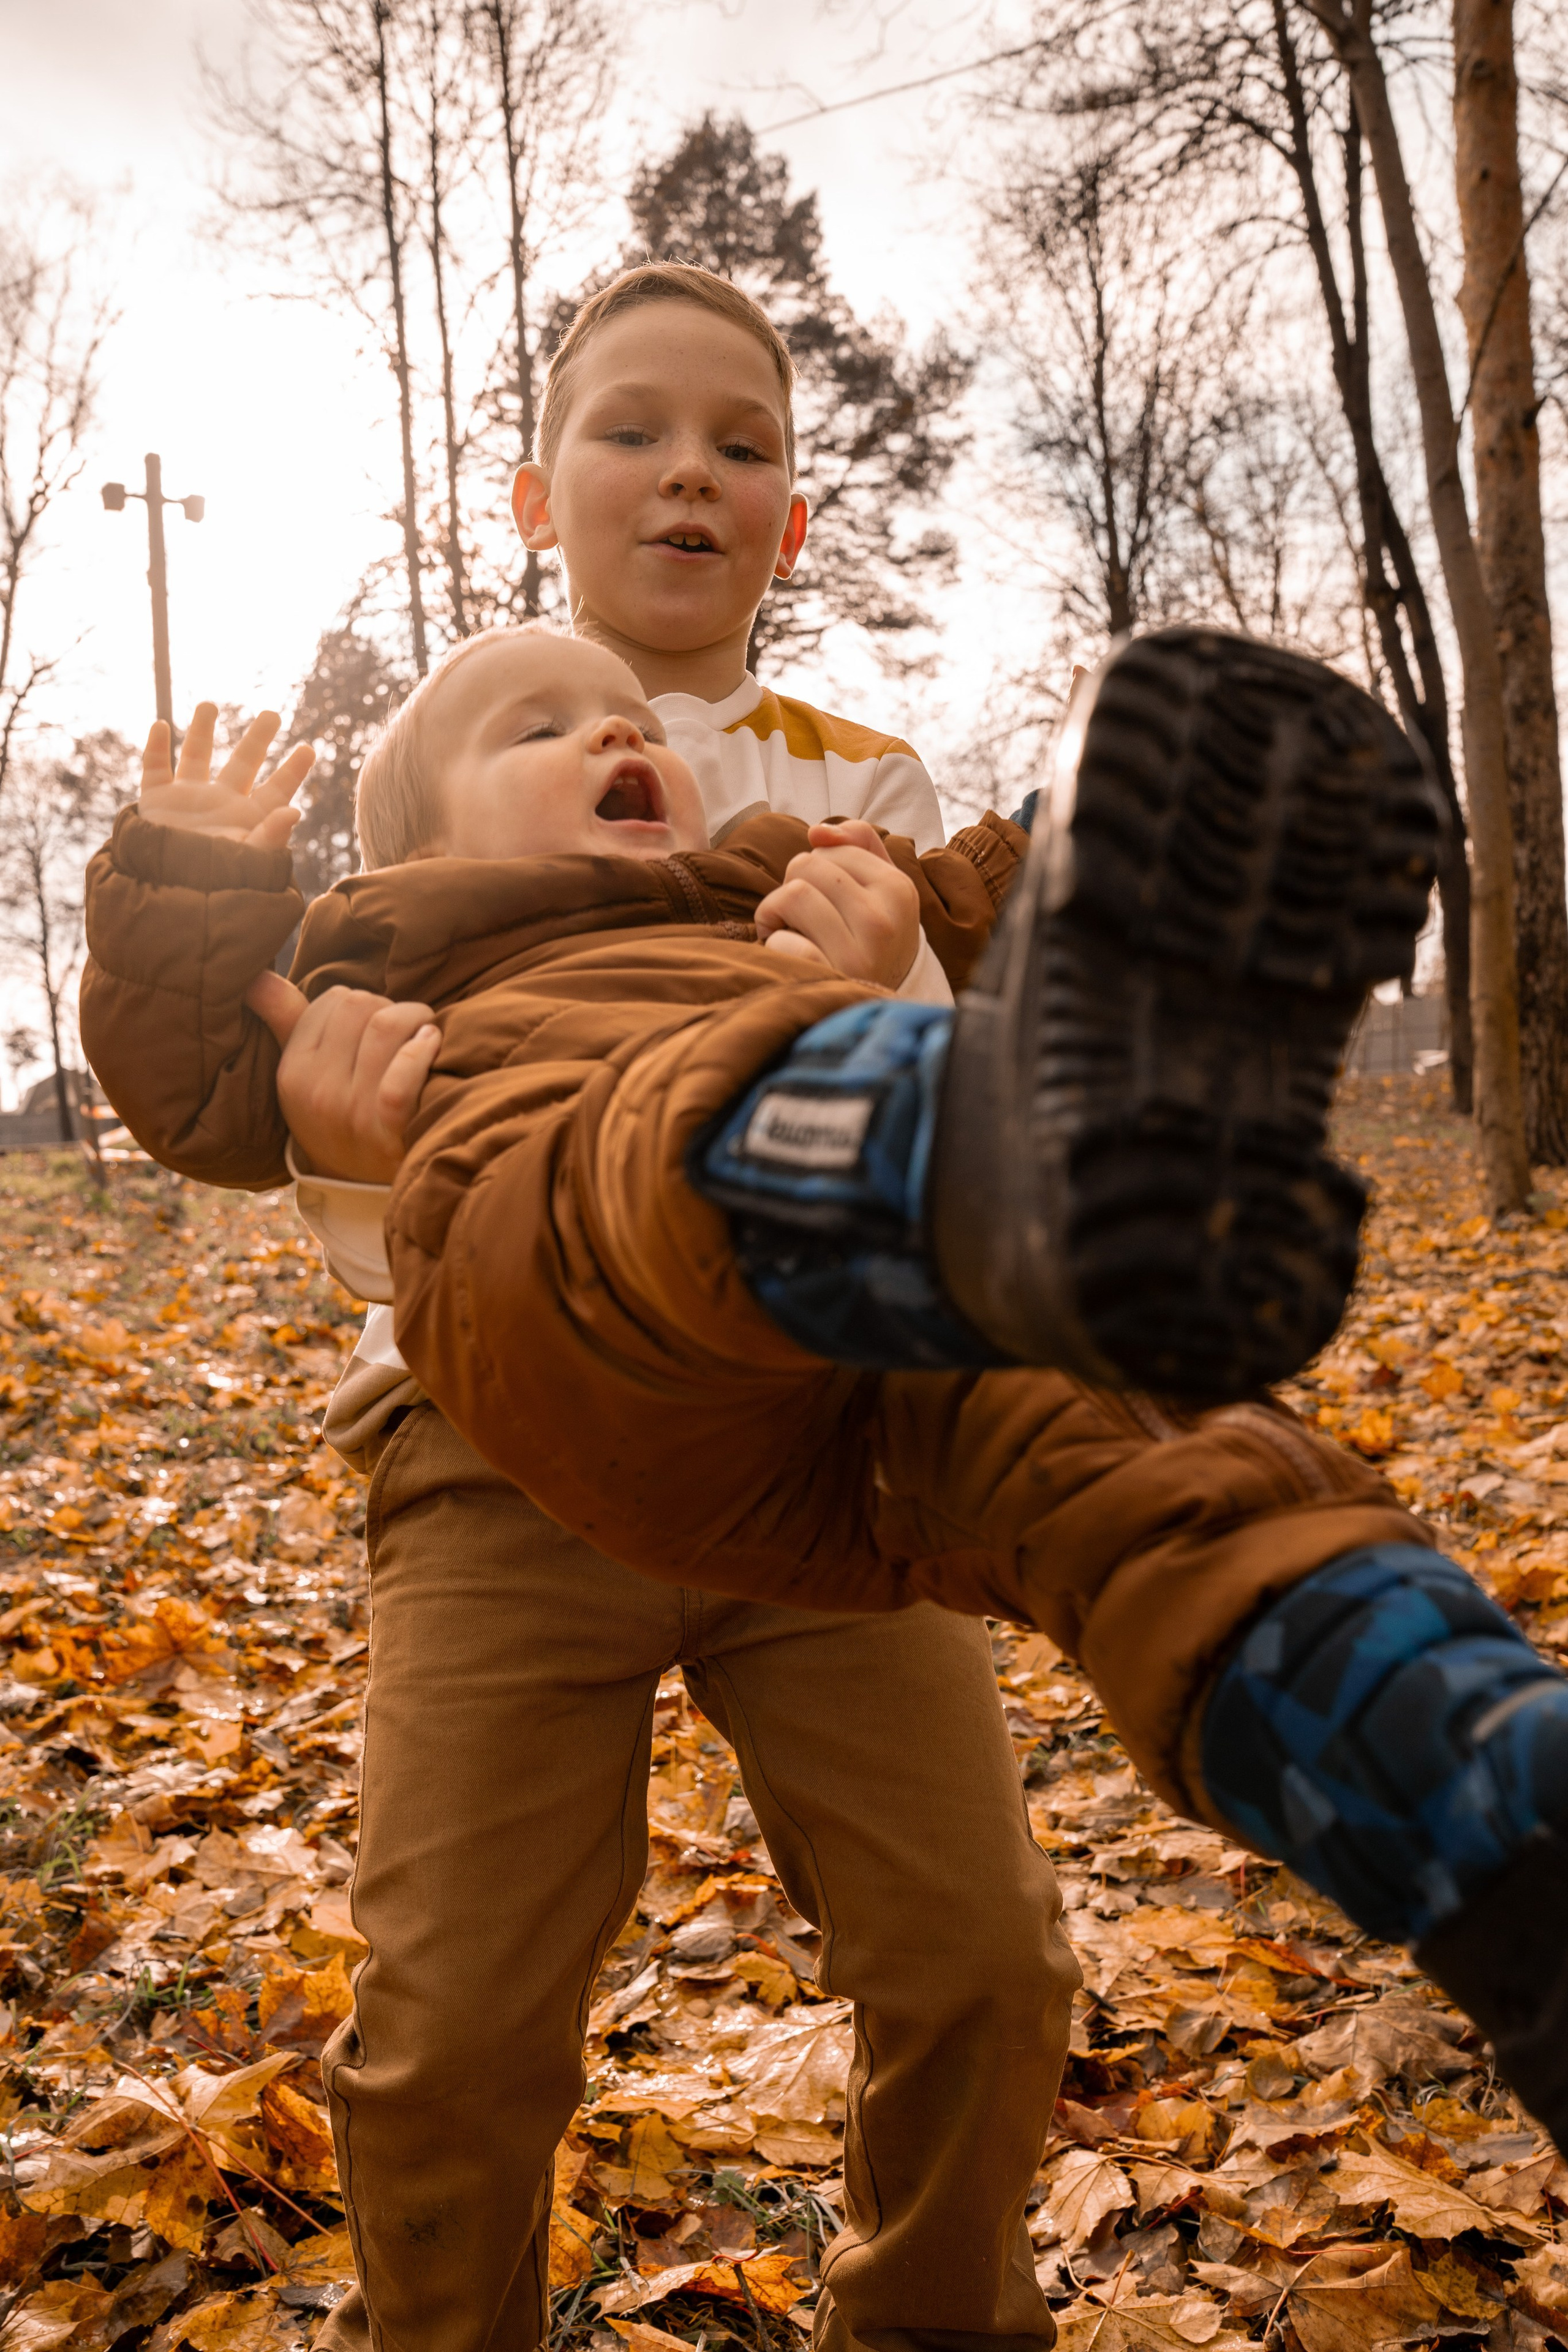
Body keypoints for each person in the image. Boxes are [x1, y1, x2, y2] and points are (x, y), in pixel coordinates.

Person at [88, 587, 1568, 2174]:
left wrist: (1060, 839)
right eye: (540, 726)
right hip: (598, 1329)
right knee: (642, 1145)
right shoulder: (393, 952)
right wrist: (189, 881)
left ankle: (1476, 1801)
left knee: (1155, 1469)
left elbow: (966, 898)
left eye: (634, 724)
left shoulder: (766, 884)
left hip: (864, 1379)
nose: (614, 731)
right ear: (415, 856)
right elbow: (194, 1086)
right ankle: (967, 1141)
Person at [82, 265, 1085, 2352]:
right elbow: (309, 1124)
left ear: (795, 523)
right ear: (539, 490)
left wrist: (883, 980)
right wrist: (357, 1158)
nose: (688, 472)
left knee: (983, 1958)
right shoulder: (440, 781)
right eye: (633, 431)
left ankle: (940, 2322)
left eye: (742, 442)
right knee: (453, 2028)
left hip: (820, 1452)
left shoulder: (863, 788)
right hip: (491, 1464)